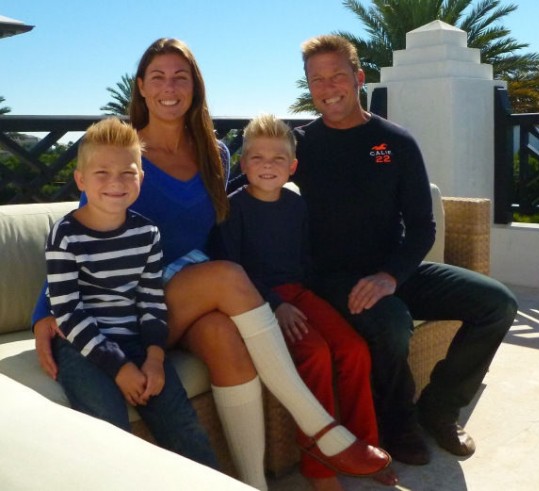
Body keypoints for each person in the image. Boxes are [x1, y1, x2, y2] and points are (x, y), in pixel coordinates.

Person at [32, 38, 390, 491]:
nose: (169, 87)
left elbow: (253, 191)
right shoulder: (125, 158)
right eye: (158, 77)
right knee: (227, 275)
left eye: (180, 77)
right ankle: (323, 430)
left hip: (186, 297)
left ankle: (251, 483)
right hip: (139, 297)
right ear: (141, 86)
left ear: (195, 87)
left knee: (225, 339)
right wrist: (44, 311)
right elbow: (85, 229)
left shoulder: (214, 153)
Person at [291, 34, 518, 466]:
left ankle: (440, 407)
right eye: (316, 79)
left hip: (393, 270)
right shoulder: (299, 145)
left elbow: (421, 226)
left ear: (359, 78)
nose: (328, 87)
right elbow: (248, 183)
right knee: (392, 324)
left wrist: (391, 276)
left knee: (498, 304)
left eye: (337, 75)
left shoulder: (395, 141)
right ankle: (397, 424)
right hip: (331, 278)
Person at [211, 114, 397, 491]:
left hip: (300, 294)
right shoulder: (232, 209)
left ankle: (364, 445)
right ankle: (319, 467)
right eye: (257, 157)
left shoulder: (296, 206)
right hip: (257, 302)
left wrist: (319, 302)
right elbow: (231, 270)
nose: (267, 165)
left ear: (292, 167)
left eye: (278, 158)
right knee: (314, 354)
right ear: (243, 163)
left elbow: (305, 261)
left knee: (354, 350)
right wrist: (274, 303)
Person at [43, 117, 218, 468]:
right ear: (81, 180)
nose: (116, 182)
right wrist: (120, 368)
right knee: (110, 433)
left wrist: (154, 357)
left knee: (184, 427)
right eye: (102, 173)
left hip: (137, 341)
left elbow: (151, 300)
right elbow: (68, 312)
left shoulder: (147, 234)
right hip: (81, 346)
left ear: (141, 177)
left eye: (128, 172)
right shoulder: (65, 235)